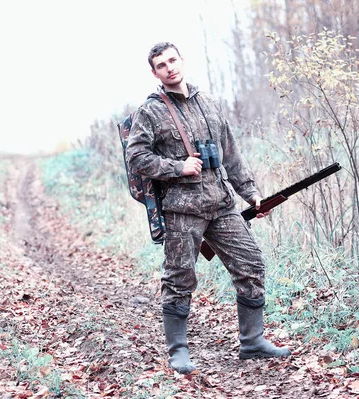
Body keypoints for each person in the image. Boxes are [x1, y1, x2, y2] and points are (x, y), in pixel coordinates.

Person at [125, 42, 291, 374]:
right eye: (162, 65)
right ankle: (178, 351)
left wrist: (252, 196)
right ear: (154, 72)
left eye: (173, 60)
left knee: (251, 264)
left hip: (221, 203)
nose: (170, 67)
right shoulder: (150, 111)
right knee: (179, 277)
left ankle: (252, 341)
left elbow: (231, 155)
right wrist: (177, 167)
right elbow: (136, 157)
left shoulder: (210, 104)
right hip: (181, 209)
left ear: (182, 61)